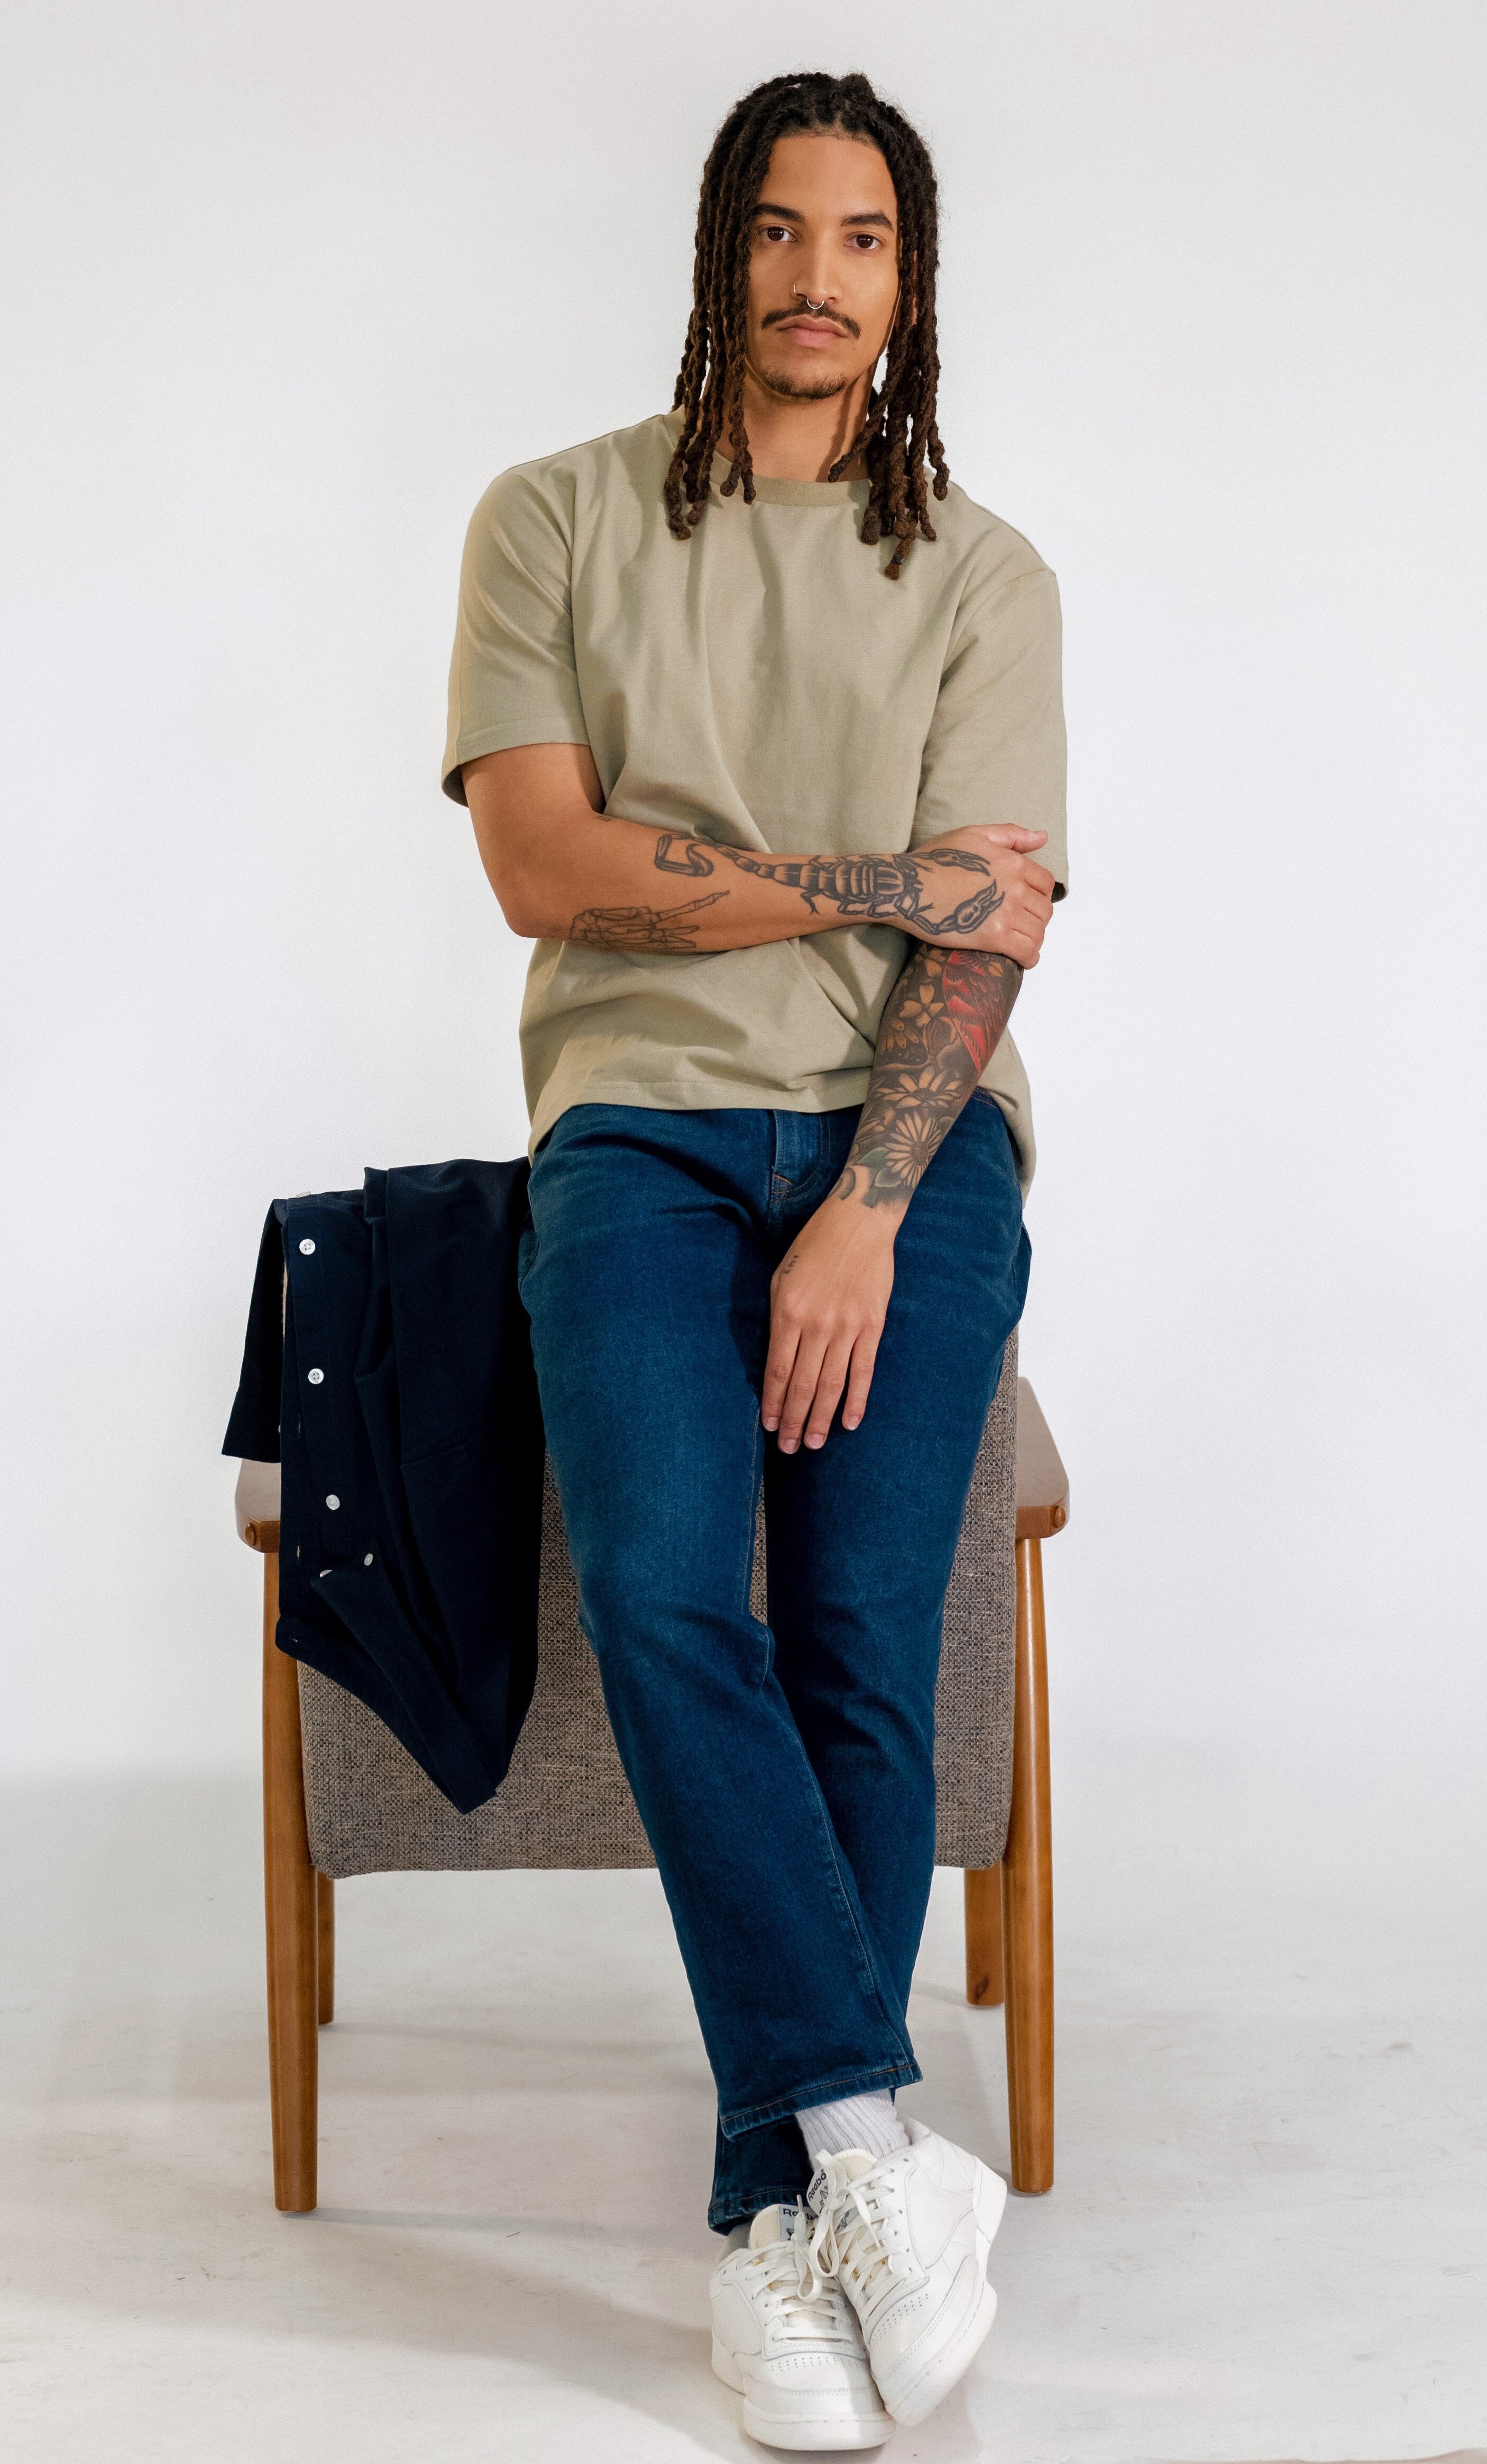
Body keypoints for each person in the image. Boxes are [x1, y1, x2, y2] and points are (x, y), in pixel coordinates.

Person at [443, 69, 1065, 2451]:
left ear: (910, 287)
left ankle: (768, 2219)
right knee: (667, 1588)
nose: (822, 279)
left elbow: (987, 945)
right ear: (719, 252)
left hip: (914, 1151)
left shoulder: (984, 577)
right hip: (632, 1127)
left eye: (868, 242)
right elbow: (539, 867)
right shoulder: (555, 520)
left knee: (854, 1616)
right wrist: (875, 877)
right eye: (783, 232)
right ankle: (862, 2148)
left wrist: (870, 1206)